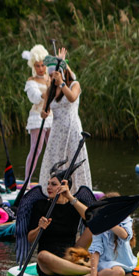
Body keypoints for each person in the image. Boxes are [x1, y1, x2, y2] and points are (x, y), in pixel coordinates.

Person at [15, 161, 98, 276]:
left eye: (53, 184)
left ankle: (75, 267)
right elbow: (29, 238)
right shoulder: (40, 205)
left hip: (71, 255)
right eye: (48, 184)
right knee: (42, 256)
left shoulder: (75, 205)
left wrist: (70, 197)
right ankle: (90, 271)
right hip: (48, 263)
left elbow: (94, 218)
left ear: (65, 186)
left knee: (94, 226)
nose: (48, 187)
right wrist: (40, 228)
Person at [37, 51, 91, 189]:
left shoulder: (74, 85)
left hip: (72, 129)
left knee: (74, 160)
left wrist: (61, 83)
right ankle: (51, 190)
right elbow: (45, 111)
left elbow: (72, 98)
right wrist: (44, 113)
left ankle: (76, 191)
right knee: (56, 161)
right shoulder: (50, 90)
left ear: (61, 73)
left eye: (53, 75)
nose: (51, 78)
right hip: (57, 132)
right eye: (50, 76)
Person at [68, 193, 134, 276]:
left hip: (126, 262)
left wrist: (109, 222)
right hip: (107, 263)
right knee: (118, 273)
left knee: (138, 273)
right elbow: (95, 250)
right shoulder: (98, 224)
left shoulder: (125, 219)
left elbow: (125, 236)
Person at [22, 45, 53, 178]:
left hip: (52, 118)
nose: (41, 68)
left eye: (43, 65)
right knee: (36, 150)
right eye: (37, 66)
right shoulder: (31, 81)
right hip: (37, 118)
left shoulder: (52, 78)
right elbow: (34, 97)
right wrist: (48, 91)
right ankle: (27, 181)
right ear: (33, 66)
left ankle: (53, 180)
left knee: (53, 150)